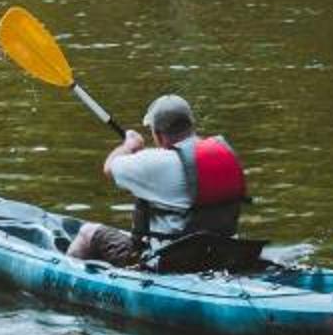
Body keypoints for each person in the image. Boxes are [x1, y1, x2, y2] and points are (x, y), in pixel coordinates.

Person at [64, 94, 250, 266]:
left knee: (88, 232)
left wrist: (129, 145)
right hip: (221, 254)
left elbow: (109, 167)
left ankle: (65, 274)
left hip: (168, 261)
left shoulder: (156, 162)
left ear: (158, 134)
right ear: (191, 125)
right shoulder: (223, 153)